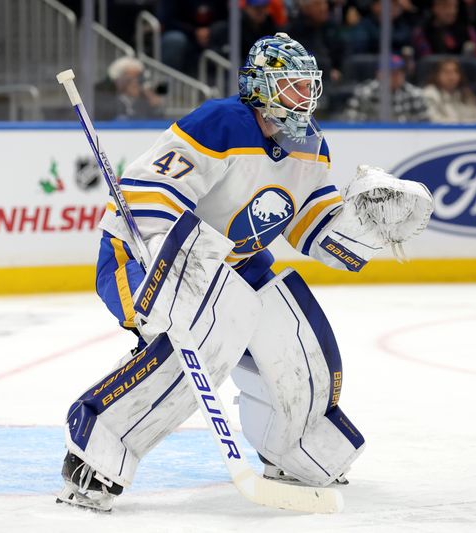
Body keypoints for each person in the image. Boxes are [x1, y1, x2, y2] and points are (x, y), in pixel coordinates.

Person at [55, 32, 434, 512]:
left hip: (234, 267)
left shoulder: (309, 145)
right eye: (291, 85)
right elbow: (149, 189)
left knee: (297, 336)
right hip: (145, 257)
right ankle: (96, 450)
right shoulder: (221, 122)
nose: (304, 96)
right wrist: (168, 259)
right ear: (260, 86)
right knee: (206, 337)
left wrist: (367, 227)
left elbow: (312, 227)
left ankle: (295, 447)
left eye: (307, 85)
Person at [345, 54, 429, 122]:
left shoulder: (415, 94)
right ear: (379, 74)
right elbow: (352, 123)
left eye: (401, 72)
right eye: (393, 73)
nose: (398, 76)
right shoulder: (364, 93)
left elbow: (425, 126)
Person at [95, 56, 162, 121]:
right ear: (117, 79)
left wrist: (154, 105)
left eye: (138, 78)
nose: (135, 82)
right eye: (129, 79)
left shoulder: (145, 101)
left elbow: (155, 120)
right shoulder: (104, 98)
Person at [411, 0, 476, 59]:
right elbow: (426, 62)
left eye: (455, 6)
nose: (452, 11)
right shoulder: (422, 32)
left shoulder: (467, 30)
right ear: (435, 7)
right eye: (446, 6)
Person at [423, 57, 476, 123]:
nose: (451, 76)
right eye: (446, 72)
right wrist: (462, 123)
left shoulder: (466, 93)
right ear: (437, 75)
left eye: (455, 71)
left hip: (467, 132)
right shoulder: (429, 94)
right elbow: (432, 120)